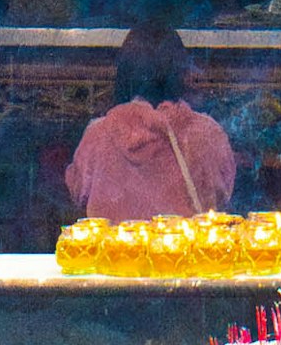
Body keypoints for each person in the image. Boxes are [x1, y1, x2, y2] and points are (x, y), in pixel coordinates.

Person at [63, 19, 235, 227]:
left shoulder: (98, 134)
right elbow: (223, 195)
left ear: (124, 72)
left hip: (114, 256)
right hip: (183, 256)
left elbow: (78, 192)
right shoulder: (208, 134)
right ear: (181, 71)